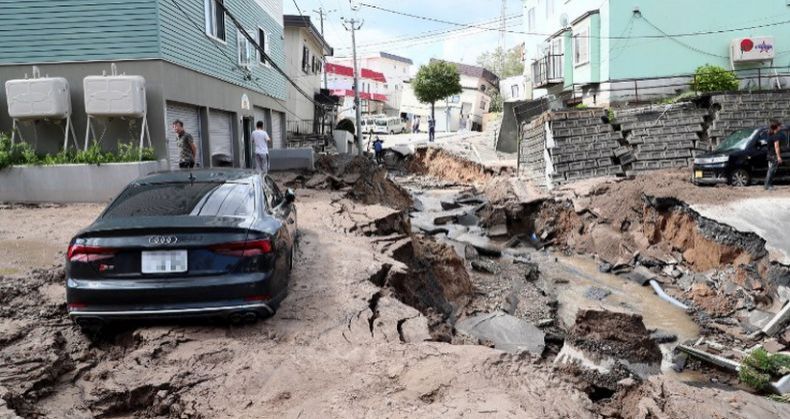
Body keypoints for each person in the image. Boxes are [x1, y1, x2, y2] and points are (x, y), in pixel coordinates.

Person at [765, 120, 785, 190]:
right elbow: (777, 147)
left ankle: (767, 185)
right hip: (773, 155)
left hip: (769, 154)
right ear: (776, 127)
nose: (780, 127)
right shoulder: (775, 136)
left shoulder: (769, 134)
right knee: (772, 170)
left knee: (770, 170)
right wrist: (779, 157)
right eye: (779, 126)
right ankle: (768, 185)